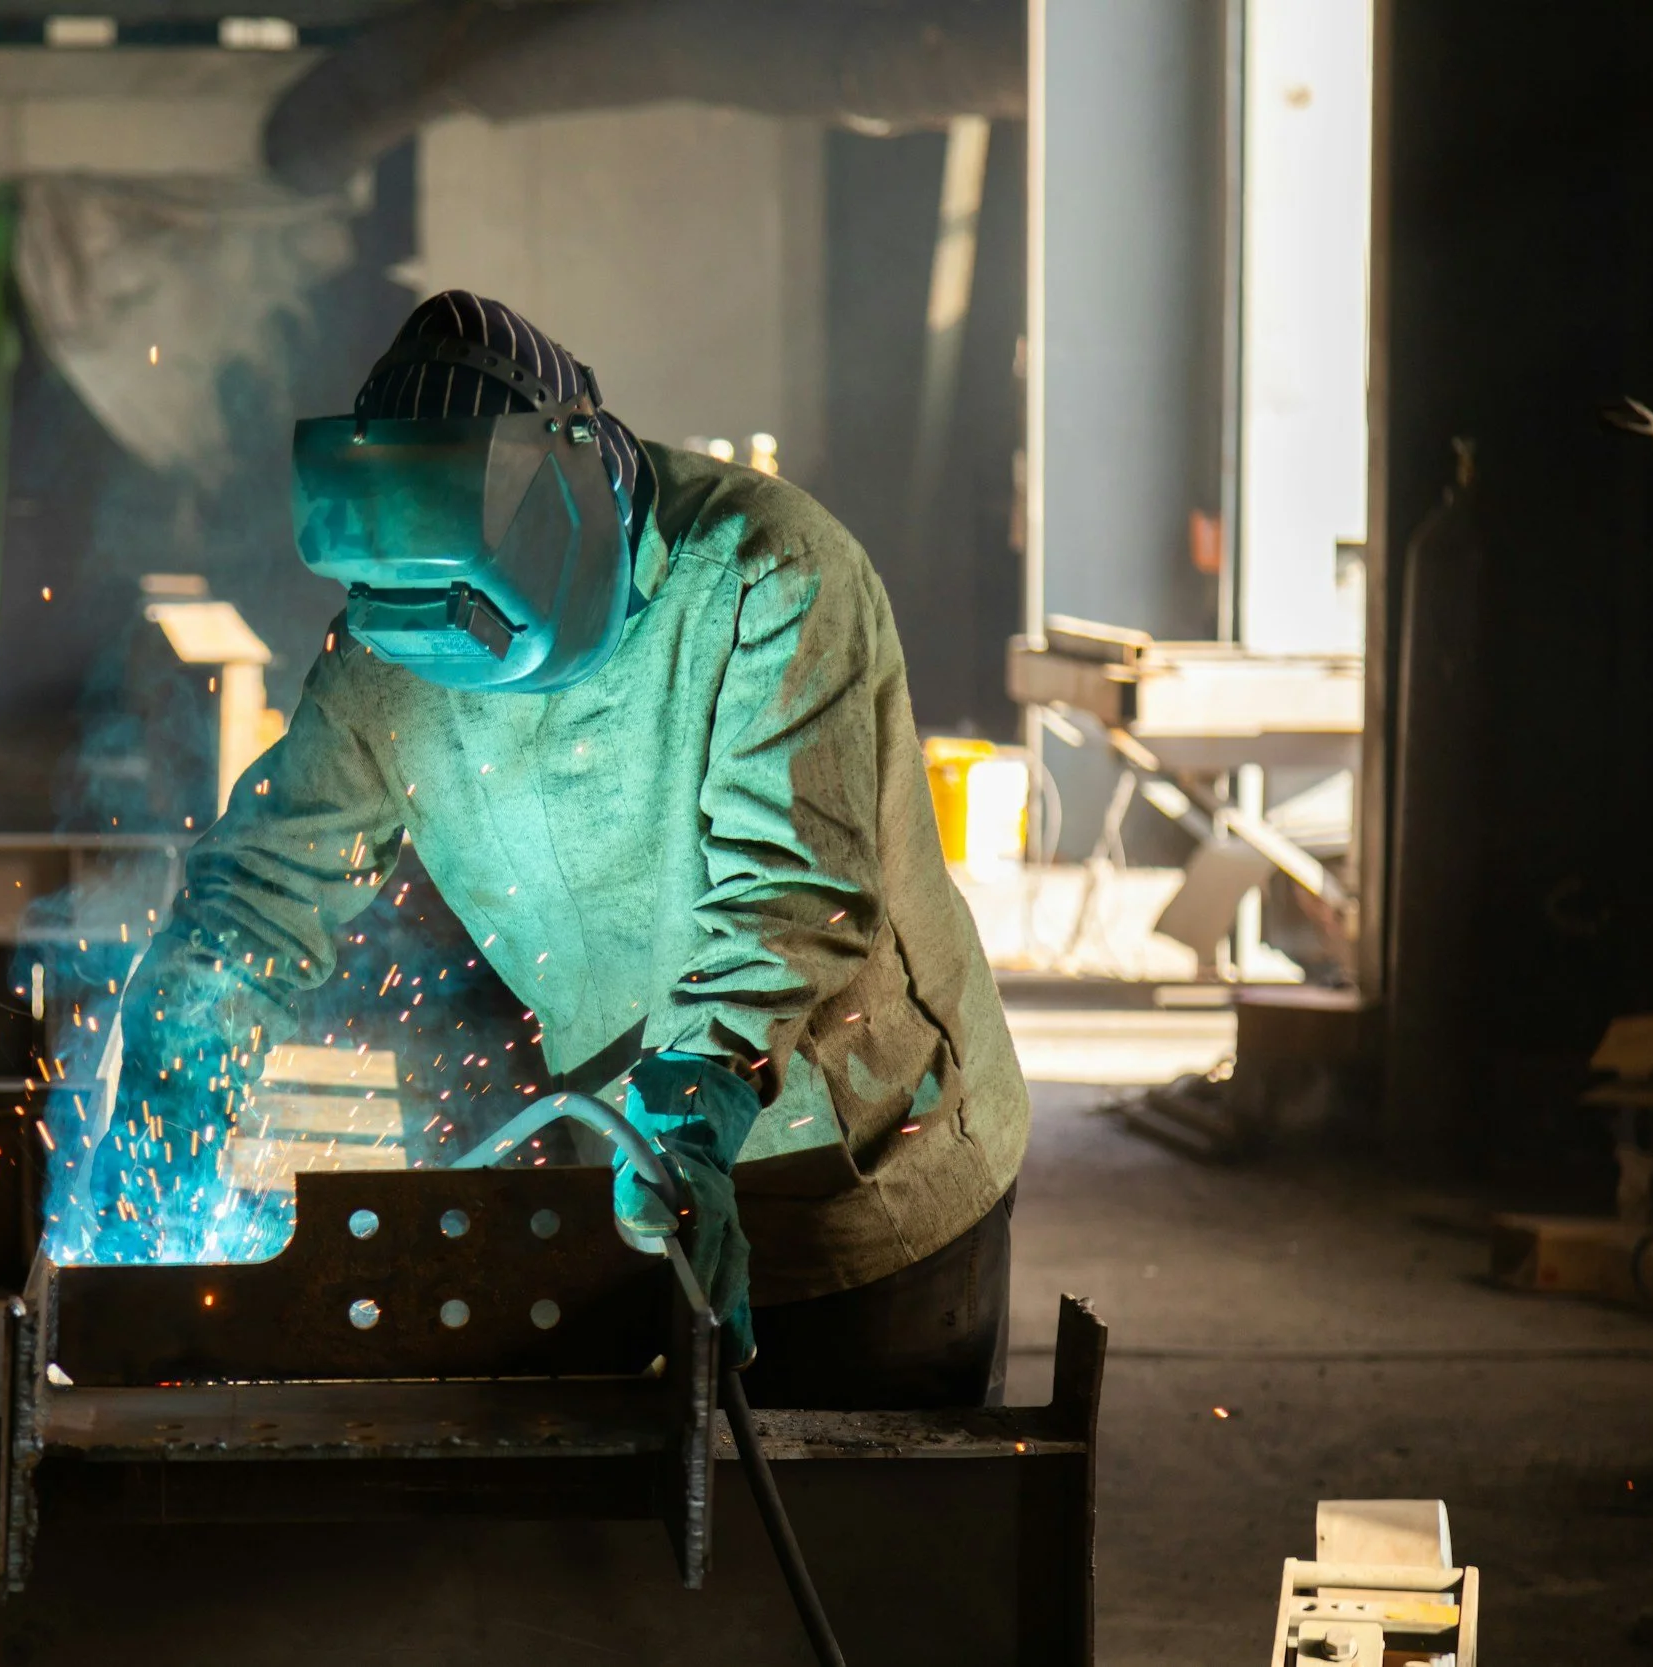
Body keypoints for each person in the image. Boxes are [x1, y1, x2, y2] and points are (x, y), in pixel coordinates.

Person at [97, 291, 1029, 1409]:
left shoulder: (768, 575)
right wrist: (181, 1066)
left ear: (583, 493)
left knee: (855, 1538)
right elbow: (260, 887)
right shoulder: (388, 645)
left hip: (865, 1170)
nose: (453, 666)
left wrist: (690, 1112)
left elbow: (790, 896)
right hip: (622, 1179)